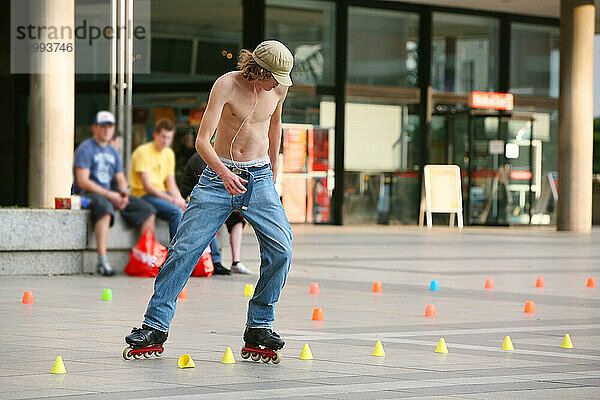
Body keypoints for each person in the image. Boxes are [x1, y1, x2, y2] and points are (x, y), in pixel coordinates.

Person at [125, 40, 294, 359]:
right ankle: (155, 325)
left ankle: (259, 325)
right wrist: (224, 173)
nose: (277, 85)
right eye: (273, 77)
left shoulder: (278, 89)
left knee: (282, 250)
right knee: (184, 249)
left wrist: (273, 168)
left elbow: (275, 124)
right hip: (218, 177)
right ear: (259, 69)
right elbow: (202, 142)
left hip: (259, 176)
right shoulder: (226, 85)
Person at [73, 111, 156, 276]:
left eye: (109, 127)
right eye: (102, 126)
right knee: (105, 208)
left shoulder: (113, 152)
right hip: (86, 194)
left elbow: (121, 179)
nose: (106, 130)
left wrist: (124, 195)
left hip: (111, 194)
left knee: (148, 210)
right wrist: (110, 195)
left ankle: (145, 258)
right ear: (94, 128)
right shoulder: (86, 148)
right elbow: (83, 181)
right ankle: (102, 261)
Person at [181, 152, 252, 275]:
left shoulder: (221, 158)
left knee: (237, 220)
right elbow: (206, 187)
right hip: (192, 198)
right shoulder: (200, 159)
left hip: (217, 197)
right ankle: (216, 261)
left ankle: (236, 262)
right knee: (211, 216)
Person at [129, 119, 187, 240]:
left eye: (169, 138)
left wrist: (180, 199)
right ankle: (175, 254)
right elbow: (147, 187)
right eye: (163, 137)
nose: (166, 141)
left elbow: (171, 183)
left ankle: (214, 257)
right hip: (143, 194)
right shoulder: (142, 152)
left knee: (189, 210)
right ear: (155, 134)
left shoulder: (169, 153)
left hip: (160, 194)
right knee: (176, 212)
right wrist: (172, 200)